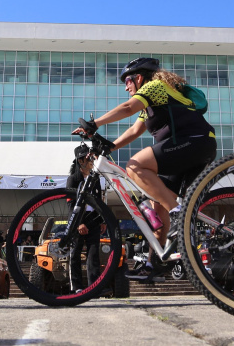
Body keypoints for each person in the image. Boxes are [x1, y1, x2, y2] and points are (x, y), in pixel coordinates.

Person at [72, 57, 217, 280]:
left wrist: (95, 123)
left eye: (127, 81)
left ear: (139, 78)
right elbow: (133, 131)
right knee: (157, 212)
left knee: (135, 166)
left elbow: (128, 107)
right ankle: (154, 264)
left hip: (196, 142)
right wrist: (108, 147)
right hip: (184, 149)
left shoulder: (156, 87)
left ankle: (178, 213)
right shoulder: (150, 102)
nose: (125, 86)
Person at [66, 144, 103, 293]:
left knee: (93, 253)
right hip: (77, 219)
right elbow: (70, 204)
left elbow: (99, 201)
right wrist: (78, 223)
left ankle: (94, 287)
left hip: (93, 219)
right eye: (89, 159)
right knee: (75, 253)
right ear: (81, 160)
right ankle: (76, 287)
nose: (92, 161)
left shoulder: (95, 179)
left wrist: (102, 220)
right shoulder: (72, 179)